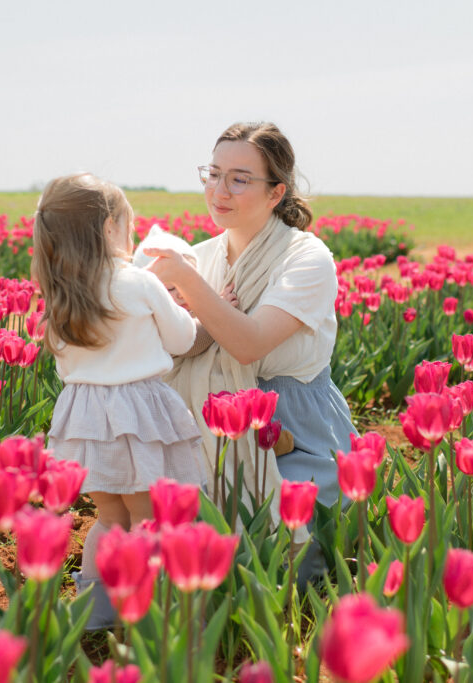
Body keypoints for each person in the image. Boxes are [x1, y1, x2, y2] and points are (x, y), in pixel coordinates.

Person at [147, 122, 357, 575]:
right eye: (214, 173)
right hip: (207, 431)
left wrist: (187, 284)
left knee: (279, 564)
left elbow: (248, 344)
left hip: (294, 429)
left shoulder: (307, 259)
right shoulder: (200, 256)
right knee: (174, 558)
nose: (220, 190)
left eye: (240, 179)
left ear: (276, 192)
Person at [31, 173, 206, 628]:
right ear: (110, 228)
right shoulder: (139, 283)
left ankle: (96, 611)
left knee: (108, 518)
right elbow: (182, 338)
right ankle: (148, 615)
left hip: (83, 418)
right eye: (129, 225)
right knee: (146, 518)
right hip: (138, 415)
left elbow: (65, 367)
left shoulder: (60, 293)